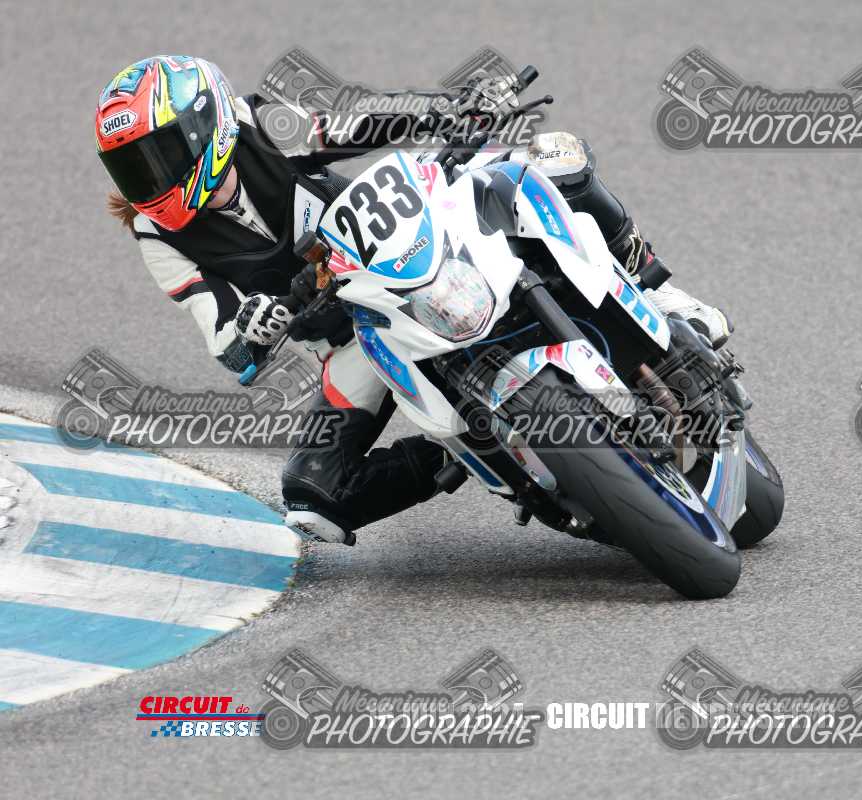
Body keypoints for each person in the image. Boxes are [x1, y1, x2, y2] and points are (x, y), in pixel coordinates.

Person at [95, 54, 732, 545]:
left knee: (552, 159)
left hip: (400, 241)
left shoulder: (258, 125)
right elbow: (228, 345)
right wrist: (253, 328)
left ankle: (658, 291)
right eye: (133, 168)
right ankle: (471, 447)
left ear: (205, 123)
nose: (151, 180)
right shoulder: (157, 235)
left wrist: (449, 110)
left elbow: (361, 121)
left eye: (161, 155)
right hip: (353, 330)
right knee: (314, 497)